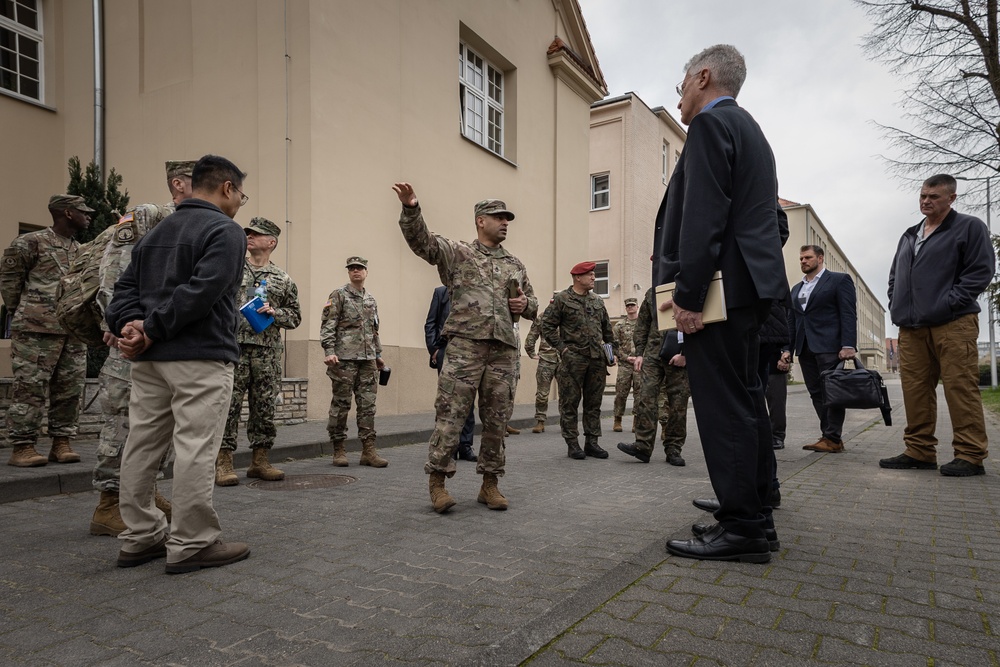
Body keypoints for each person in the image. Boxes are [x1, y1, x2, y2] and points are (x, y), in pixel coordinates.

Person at [654, 45, 788, 563]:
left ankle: (743, 529)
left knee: (724, 407)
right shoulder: (751, 130)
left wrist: (687, 297)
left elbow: (704, 216)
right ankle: (755, 509)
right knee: (747, 400)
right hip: (751, 288)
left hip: (722, 291)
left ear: (704, 76)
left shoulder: (711, 127)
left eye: (683, 83)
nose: (680, 96)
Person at [106, 154, 251, 573]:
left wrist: (130, 326)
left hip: (150, 362)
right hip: (200, 357)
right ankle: (191, 542)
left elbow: (123, 291)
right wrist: (151, 329)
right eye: (241, 193)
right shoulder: (225, 230)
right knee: (195, 448)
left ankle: (140, 537)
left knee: (142, 445)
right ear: (226, 188)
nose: (241, 201)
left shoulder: (157, 232)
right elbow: (203, 292)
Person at [392, 183, 537, 513]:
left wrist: (525, 303)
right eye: (498, 217)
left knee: (497, 421)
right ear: (480, 221)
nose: (505, 223)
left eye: (507, 218)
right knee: (451, 416)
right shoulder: (458, 253)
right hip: (464, 348)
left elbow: (533, 304)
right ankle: (438, 484)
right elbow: (423, 243)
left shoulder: (515, 264)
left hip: (502, 351)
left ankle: (490, 484)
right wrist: (412, 208)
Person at [90, 160, 195, 536]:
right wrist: (117, 324)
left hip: (164, 340)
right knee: (123, 418)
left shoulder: (194, 224)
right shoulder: (148, 215)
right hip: (132, 340)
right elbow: (115, 274)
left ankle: (143, 494)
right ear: (179, 184)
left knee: (156, 424)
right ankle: (109, 504)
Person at [881, 173, 995, 476]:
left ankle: (971, 454)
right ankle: (919, 451)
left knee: (960, 387)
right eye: (922, 196)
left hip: (953, 323)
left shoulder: (969, 227)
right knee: (915, 389)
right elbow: (895, 276)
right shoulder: (909, 234)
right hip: (911, 325)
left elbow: (980, 271)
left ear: (951, 198)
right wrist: (896, 302)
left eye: (934, 196)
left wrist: (949, 302)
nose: (926, 201)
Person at [1, 194, 91, 467]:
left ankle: (61, 443)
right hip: (35, 330)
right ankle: (23, 446)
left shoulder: (81, 249)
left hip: (72, 331)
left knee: (70, 389)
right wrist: (24, 311)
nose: (88, 216)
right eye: (82, 211)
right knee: (30, 388)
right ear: (66, 213)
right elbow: (9, 281)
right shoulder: (31, 242)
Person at [217, 217, 302, 485]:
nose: (250, 237)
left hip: (267, 353)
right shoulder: (231, 269)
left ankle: (260, 460)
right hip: (233, 348)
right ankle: (223, 462)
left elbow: (295, 317)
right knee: (228, 407)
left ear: (271, 242)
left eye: (256, 234)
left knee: (264, 407)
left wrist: (275, 313)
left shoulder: (283, 279)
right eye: (248, 233)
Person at [541, 262, 616, 460]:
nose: (593, 278)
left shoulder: (598, 301)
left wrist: (610, 353)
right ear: (577, 278)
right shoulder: (562, 299)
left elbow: (608, 332)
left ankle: (592, 443)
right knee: (569, 403)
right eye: (590, 275)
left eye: (594, 274)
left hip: (596, 361)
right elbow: (547, 326)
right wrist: (563, 349)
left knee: (594, 404)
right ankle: (572, 444)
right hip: (573, 360)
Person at [321, 256, 388, 468]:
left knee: (368, 406)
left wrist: (377, 355)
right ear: (348, 272)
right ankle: (338, 449)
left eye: (360, 268)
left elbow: (374, 330)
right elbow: (328, 325)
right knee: (341, 405)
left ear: (366, 272)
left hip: (367, 361)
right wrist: (329, 351)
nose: (356, 271)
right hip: (344, 360)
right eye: (352, 269)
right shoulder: (339, 295)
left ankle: (368, 450)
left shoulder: (371, 299)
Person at [790, 245, 857, 453]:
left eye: (807, 257)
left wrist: (848, 344)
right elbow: (792, 320)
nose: (803, 261)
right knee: (816, 393)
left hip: (829, 347)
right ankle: (829, 435)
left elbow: (848, 313)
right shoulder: (796, 288)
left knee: (833, 392)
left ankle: (833, 438)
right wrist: (787, 349)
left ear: (820, 258)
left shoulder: (838, 280)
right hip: (805, 347)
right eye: (801, 258)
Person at [617, 286, 690, 466]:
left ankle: (673, 448)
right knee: (645, 397)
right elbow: (642, 326)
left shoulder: (690, 286)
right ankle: (643, 445)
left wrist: (687, 353)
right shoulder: (652, 293)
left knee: (678, 402)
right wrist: (640, 353)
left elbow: (701, 321)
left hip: (678, 355)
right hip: (652, 354)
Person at [425, 285, 477, 462]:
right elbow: (431, 322)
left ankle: (465, 446)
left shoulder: (476, 290)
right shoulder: (441, 292)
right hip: (446, 350)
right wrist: (434, 349)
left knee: (468, 401)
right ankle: (446, 446)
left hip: (470, 351)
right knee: (446, 400)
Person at [524, 293, 560, 433]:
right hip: (546, 359)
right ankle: (540, 421)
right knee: (542, 393)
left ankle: (566, 422)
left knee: (567, 393)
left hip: (564, 360)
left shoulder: (569, 316)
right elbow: (532, 335)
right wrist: (531, 353)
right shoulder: (543, 317)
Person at [760, 297, 793, 451]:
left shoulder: (778, 296)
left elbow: (786, 324)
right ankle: (761, 435)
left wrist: (786, 352)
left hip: (775, 358)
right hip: (756, 354)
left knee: (776, 401)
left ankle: (777, 436)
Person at [612, 298, 641, 433]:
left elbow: (650, 342)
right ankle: (618, 419)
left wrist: (641, 357)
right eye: (628, 306)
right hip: (625, 364)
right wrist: (625, 357)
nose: (630, 308)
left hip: (640, 364)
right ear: (625, 308)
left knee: (639, 394)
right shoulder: (619, 325)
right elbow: (614, 345)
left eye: (632, 305)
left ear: (637, 306)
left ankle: (636, 421)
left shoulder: (643, 324)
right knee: (621, 394)